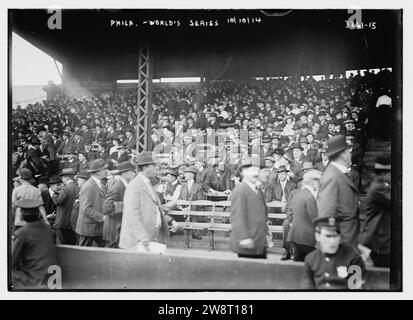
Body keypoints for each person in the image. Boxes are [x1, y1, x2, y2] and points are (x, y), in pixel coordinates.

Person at [119, 151, 170, 250]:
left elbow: (154, 208)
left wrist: (170, 221)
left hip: (150, 238)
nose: (156, 168)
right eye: (153, 166)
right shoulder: (134, 186)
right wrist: (142, 236)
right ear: (145, 167)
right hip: (138, 241)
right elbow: (131, 213)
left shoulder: (148, 183)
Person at [317, 135, 360, 248]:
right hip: (341, 245)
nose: (351, 154)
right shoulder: (332, 177)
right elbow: (326, 216)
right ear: (343, 155)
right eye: (349, 151)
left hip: (347, 241)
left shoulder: (337, 174)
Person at [302, 216, 365, 290]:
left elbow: (356, 290)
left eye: (335, 236)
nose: (332, 241)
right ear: (318, 236)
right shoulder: (311, 259)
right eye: (328, 236)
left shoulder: (353, 258)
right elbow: (307, 287)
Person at [11, 199, 57, 289]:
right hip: (52, 276)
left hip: (34, 279)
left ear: (21, 216)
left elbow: (12, 261)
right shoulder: (48, 229)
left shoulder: (22, 233)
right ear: (39, 214)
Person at [230, 161, 268, 259]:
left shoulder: (258, 189)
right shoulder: (240, 191)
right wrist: (244, 238)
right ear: (243, 173)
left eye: (256, 170)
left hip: (259, 239)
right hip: (248, 241)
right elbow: (237, 217)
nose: (255, 173)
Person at [359, 156, 391, 268]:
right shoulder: (379, 188)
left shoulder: (383, 186)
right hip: (378, 239)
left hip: (380, 239)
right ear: (383, 174)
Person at [287, 170, 322, 261]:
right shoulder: (309, 197)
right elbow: (315, 219)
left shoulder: (297, 195)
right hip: (307, 238)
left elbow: (292, 213)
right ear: (313, 182)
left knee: (297, 266)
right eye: (319, 181)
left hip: (295, 236)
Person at [103, 161, 136, 248]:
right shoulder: (117, 187)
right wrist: (127, 205)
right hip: (114, 231)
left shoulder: (125, 186)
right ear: (125, 174)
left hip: (120, 230)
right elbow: (107, 208)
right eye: (132, 172)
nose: (134, 174)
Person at [75, 159, 108, 247]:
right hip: (87, 228)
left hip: (95, 227)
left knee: (101, 251)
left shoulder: (100, 184)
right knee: (84, 255)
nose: (106, 171)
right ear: (98, 172)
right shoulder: (89, 186)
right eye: (104, 169)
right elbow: (86, 208)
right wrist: (102, 218)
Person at [51, 168, 79, 245]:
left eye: (62, 177)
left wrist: (52, 194)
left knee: (62, 246)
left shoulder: (65, 188)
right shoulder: (78, 188)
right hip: (73, 222)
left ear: (66, 177)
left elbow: (58, 201)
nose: (62, 179)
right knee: (72, 245)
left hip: (62, 222)